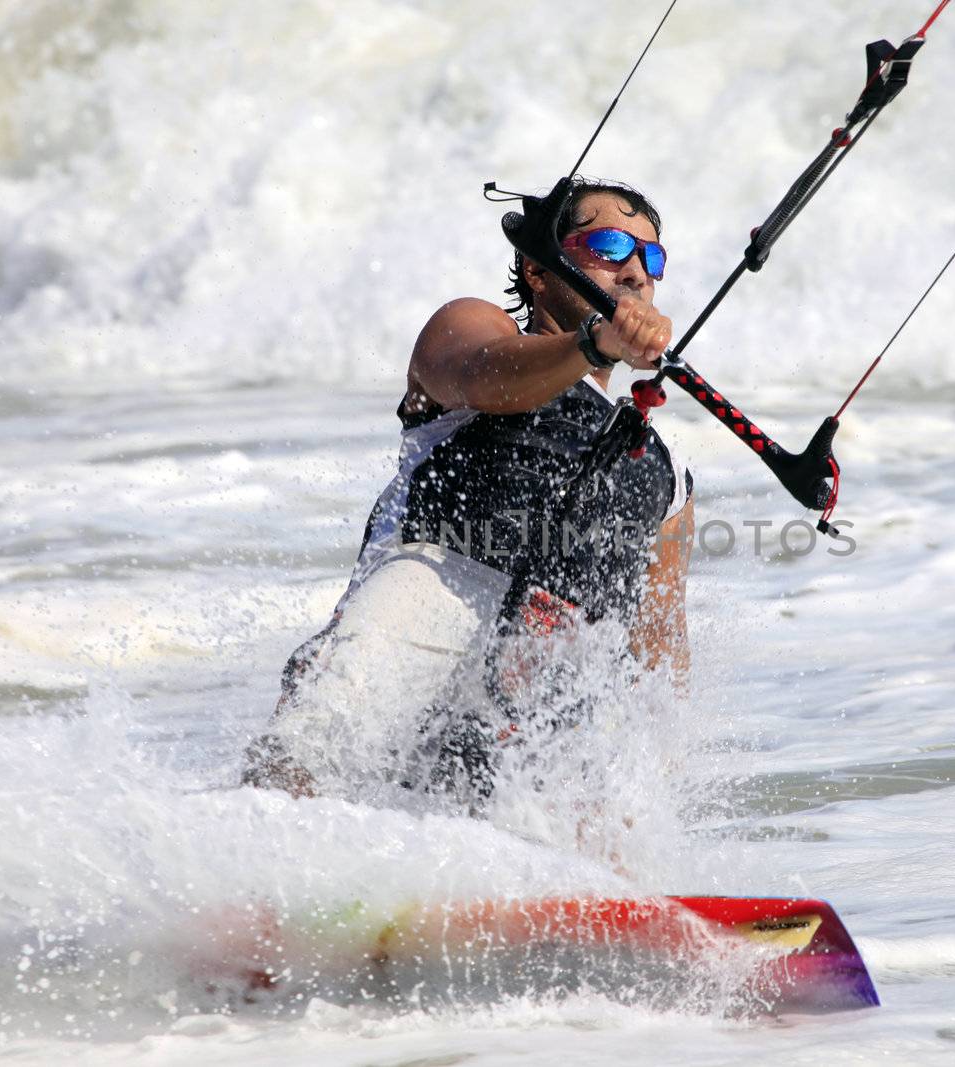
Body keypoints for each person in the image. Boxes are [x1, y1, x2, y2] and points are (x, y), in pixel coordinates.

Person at [243, 177, 694, 802]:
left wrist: (647, 803)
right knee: (307, 760)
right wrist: (593, 341)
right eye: (611, 244)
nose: (635, 272)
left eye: (652, 258)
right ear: (538, 272)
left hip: (547, 672)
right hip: (429, 594)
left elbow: (659, 655)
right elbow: (487, 379)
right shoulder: (470, 328)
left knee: (592, 811)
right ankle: (252, 853)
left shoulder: (663, 476)